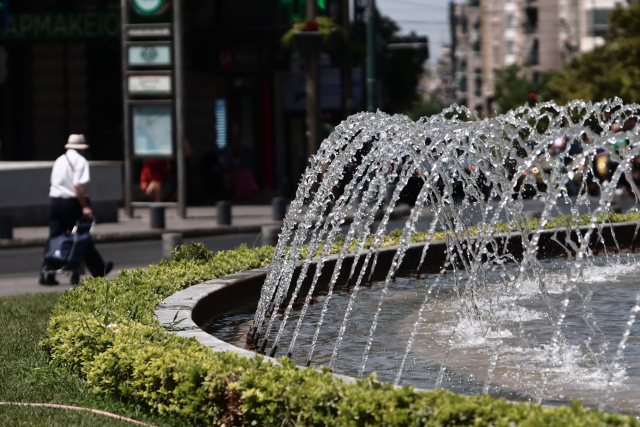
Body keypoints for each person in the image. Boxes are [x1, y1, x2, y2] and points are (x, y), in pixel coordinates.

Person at [39, 134, 113, 285]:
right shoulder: (80, 161)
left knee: (55, 239)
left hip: (55, 202)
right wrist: (85, 206)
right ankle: (98, 269)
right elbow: (77, 186)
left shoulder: (60, 160)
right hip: (70, 204)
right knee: (82, 238)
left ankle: (47, 272)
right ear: (82, 149)